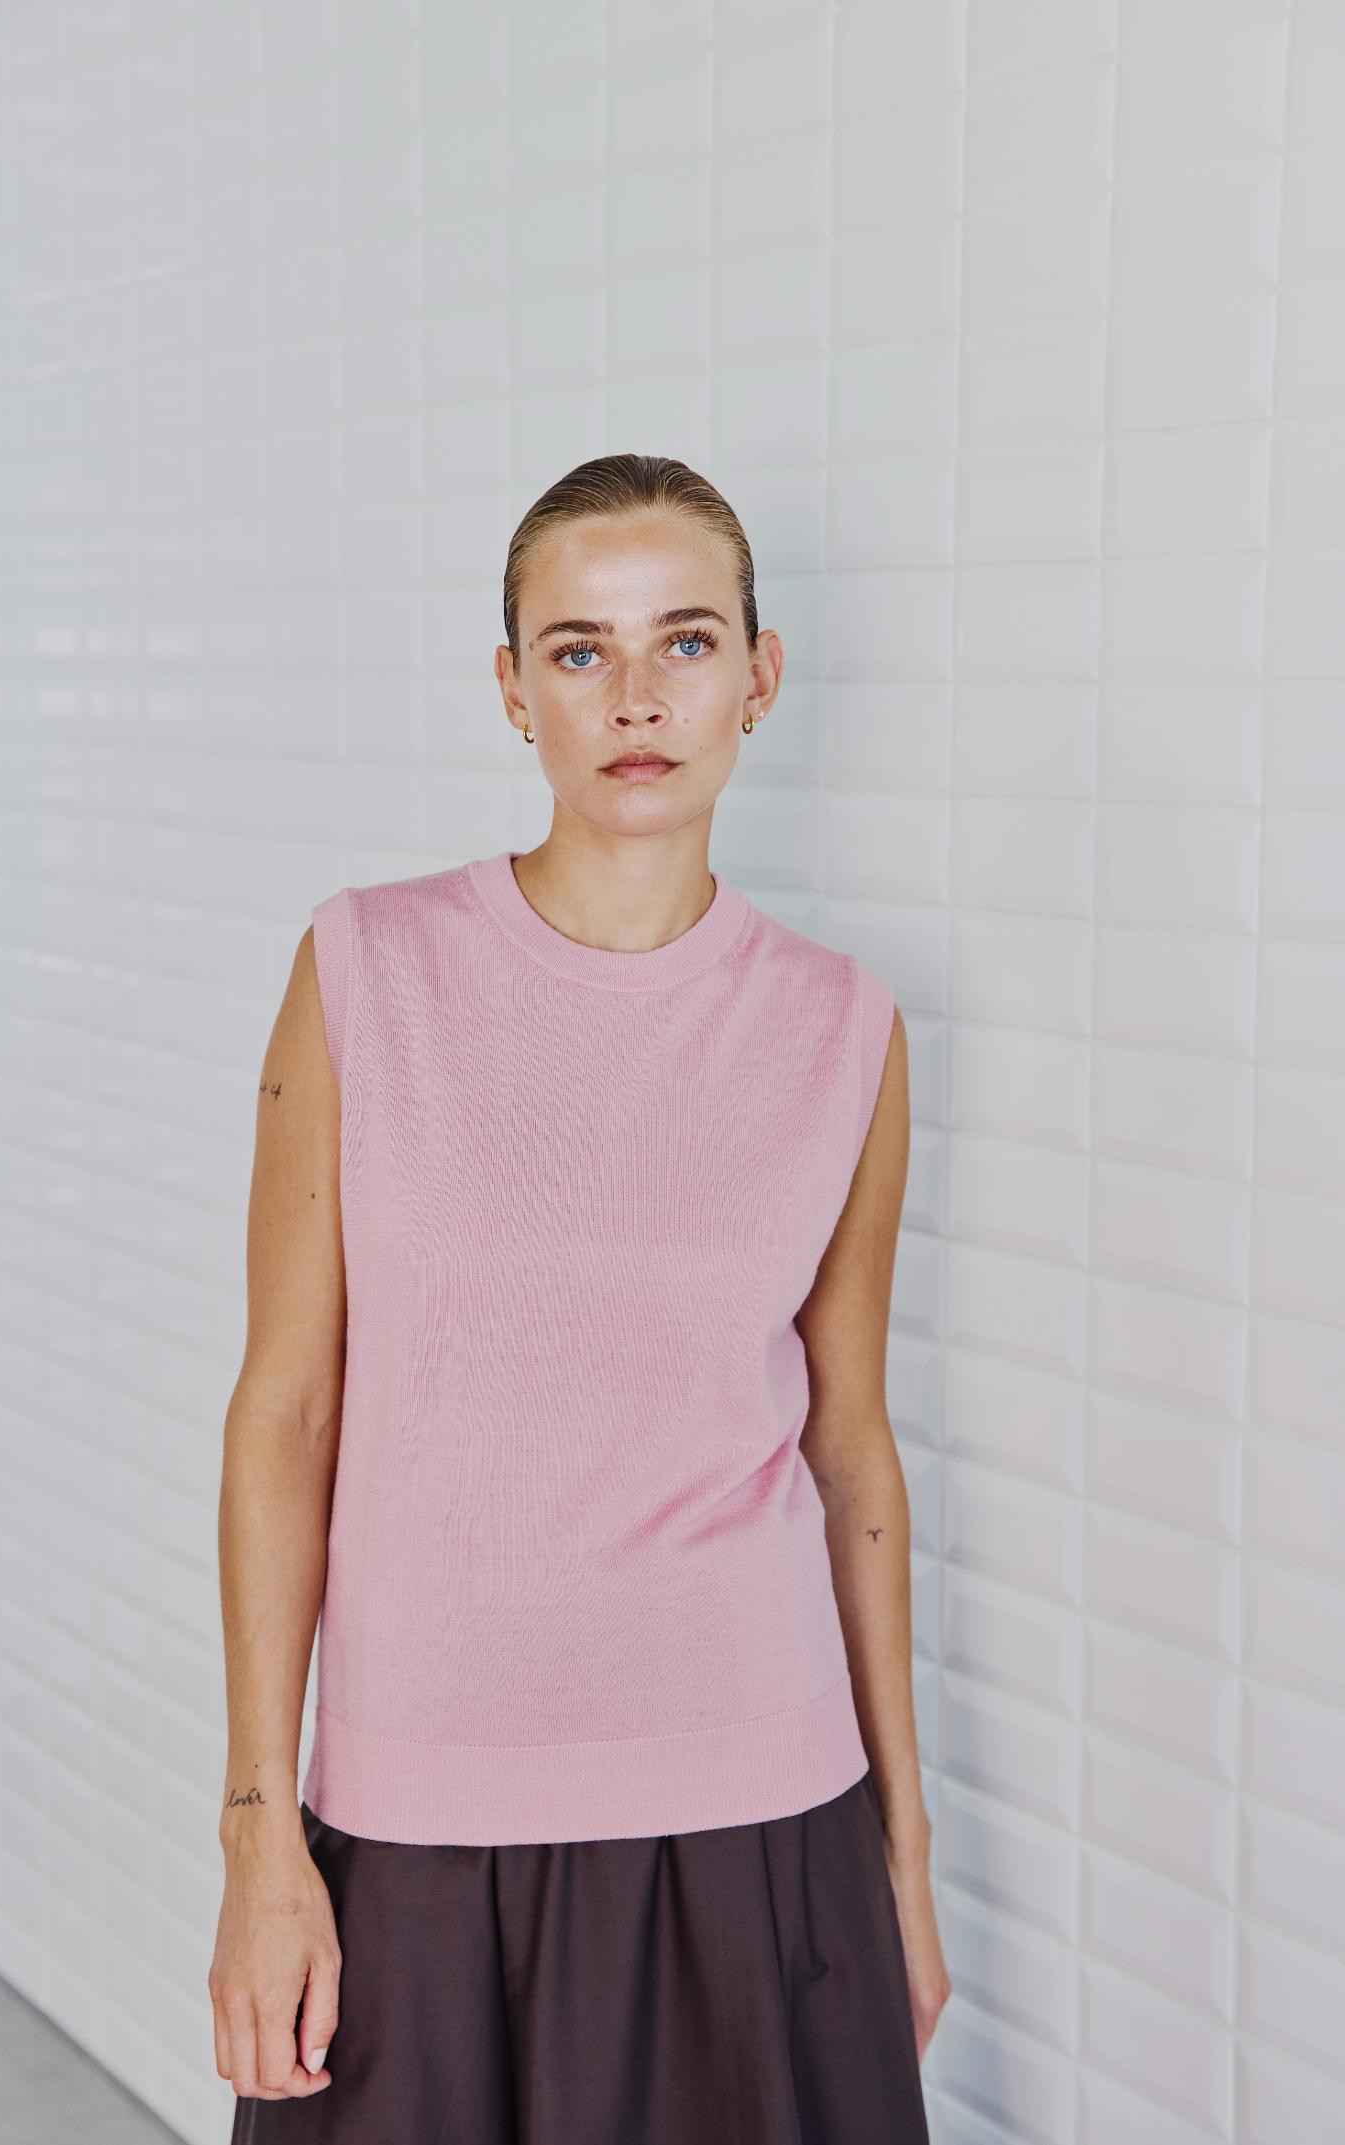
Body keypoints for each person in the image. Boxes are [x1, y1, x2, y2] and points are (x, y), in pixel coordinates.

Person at [208, 452, 951, 2141]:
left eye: (686, 641)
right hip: (420, 1806)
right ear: (511, 687)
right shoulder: (366, 969)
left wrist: (903, 1855)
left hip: (764, 1804)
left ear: (760, 675)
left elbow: (851, 1447)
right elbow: (286, 1413)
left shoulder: (845, 1026)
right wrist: (259, 1832)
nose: (635, 698)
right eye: (577, 649)